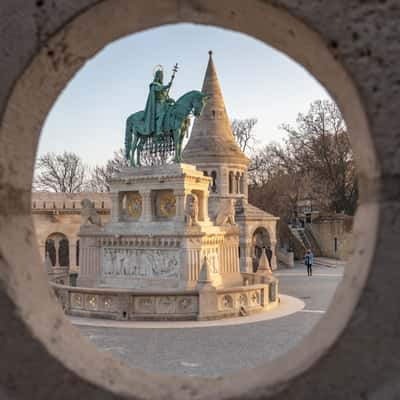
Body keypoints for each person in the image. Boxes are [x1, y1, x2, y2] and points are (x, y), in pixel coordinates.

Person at [143, 66, 175, 137]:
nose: (161, 77)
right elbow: (158, 89)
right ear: (157, 76)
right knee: (162, 113)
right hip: (157, 104)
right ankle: (158, 130)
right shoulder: (154, 85)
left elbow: (165, 97)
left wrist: (170, 99)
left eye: (162, 76)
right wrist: (166, 86)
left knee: (172, 110)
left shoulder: (162, 87)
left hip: (163, 104)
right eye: (160, 76)